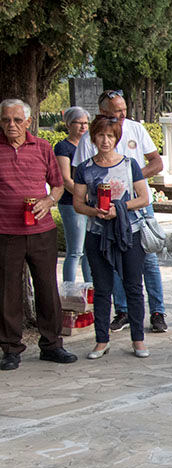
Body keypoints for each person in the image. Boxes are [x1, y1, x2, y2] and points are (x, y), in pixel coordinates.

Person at [73, 90, 168, 334]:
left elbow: (157, 162)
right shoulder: (89, 139)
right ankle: (122, 311)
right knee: (110, 259)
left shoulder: (136, 129)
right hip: (103, 211)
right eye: (117, 110)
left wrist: (130, 177)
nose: (122, 114)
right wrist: (93, 206)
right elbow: (80, 177)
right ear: (103, 112)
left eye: (124, 109)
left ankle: (157, 311)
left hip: (137, 204)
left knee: (148, 258)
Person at [0, 98, 78, 371]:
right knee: (7, 291)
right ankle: (10, 349)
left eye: (17, 120)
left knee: (47, 287)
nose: (11, 125)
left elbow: (57, 185)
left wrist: (48, 201)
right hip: (5, 232)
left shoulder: (43, 147)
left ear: (28, 122)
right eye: (6, 120)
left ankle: (52, 345)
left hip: (41, 230)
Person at [73, 115, 151, 359]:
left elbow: (143, 198)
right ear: (93, 138)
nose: (105, 141)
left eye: (110, 136)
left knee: (133, 287)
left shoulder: (129, 164)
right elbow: (78, 203)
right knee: (102, 288)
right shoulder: (85, 168)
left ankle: (138, 339)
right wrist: (95, 211)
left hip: (129, 232)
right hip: (98, 233)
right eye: (101, 135)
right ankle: (101, 340)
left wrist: (120, 208)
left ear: (117, 138)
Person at [54, 106, 92, 283]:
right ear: (69, 124)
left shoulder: (89, 145)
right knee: (75, 251)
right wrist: (83, 197)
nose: (83, 127)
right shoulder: (63, 147)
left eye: (86, 123)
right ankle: (69, 290)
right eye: (79, 123)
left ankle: (90, 289)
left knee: (89, 250)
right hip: (71, 203)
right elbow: (65, 179)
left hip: (89, 203)